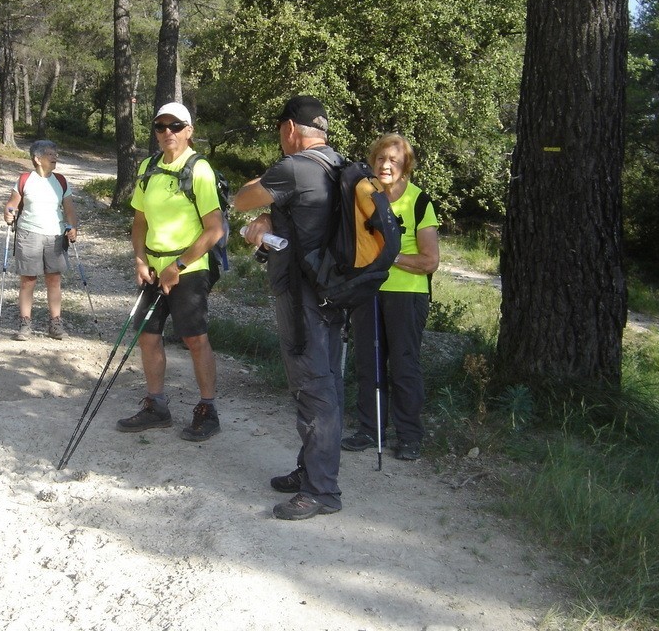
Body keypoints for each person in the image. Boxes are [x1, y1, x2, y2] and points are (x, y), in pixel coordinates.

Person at [233, 95, 345, 520]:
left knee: (313, 388)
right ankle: (311, 470)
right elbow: (307, 221)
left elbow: (244, 199)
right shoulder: (338, 167)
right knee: (327, 382)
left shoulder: (294, 167)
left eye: (281, 131)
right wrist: (274, 219)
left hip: (303, 300)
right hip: (333, 293)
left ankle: (321, 491)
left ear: (290, 130)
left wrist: (263, 206)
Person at [117, 102, 225, 442]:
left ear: (189, 131)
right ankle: (157, 406)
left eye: (175, 126)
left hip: (189, 267)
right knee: (147, 336)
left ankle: (207, 409)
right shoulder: (148, 168)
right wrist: (139, 259)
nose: (168, 133)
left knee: (194, 338)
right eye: (160, 127)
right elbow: (139, 222)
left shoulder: (200, 170)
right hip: (153, 266)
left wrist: (177, 266)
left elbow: (214, 230)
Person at [342, 133, 440, 461]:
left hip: (406, 295)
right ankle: (370, 429)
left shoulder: (418, 201)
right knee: (369, 363)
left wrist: (388, 255)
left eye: (394, 160)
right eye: (381, 158)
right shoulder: (363, 196)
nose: (386, 165)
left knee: (404, 365)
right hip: (368, 290)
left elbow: (430, 260)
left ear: (405, 166)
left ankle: (410, 435)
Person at [3, 140, 78, 341]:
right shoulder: (25, 180)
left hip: (55, 235)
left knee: (54, 280)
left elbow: (69, 210)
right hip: (28, 234)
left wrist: (73, 228)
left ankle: (55, 323)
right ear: (37, 158)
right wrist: (9, 214)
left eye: (56, 153)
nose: (55, 157)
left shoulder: (61, 181)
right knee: (28, 281)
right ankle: (25, 324)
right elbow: (11, 205)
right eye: (50, 154)